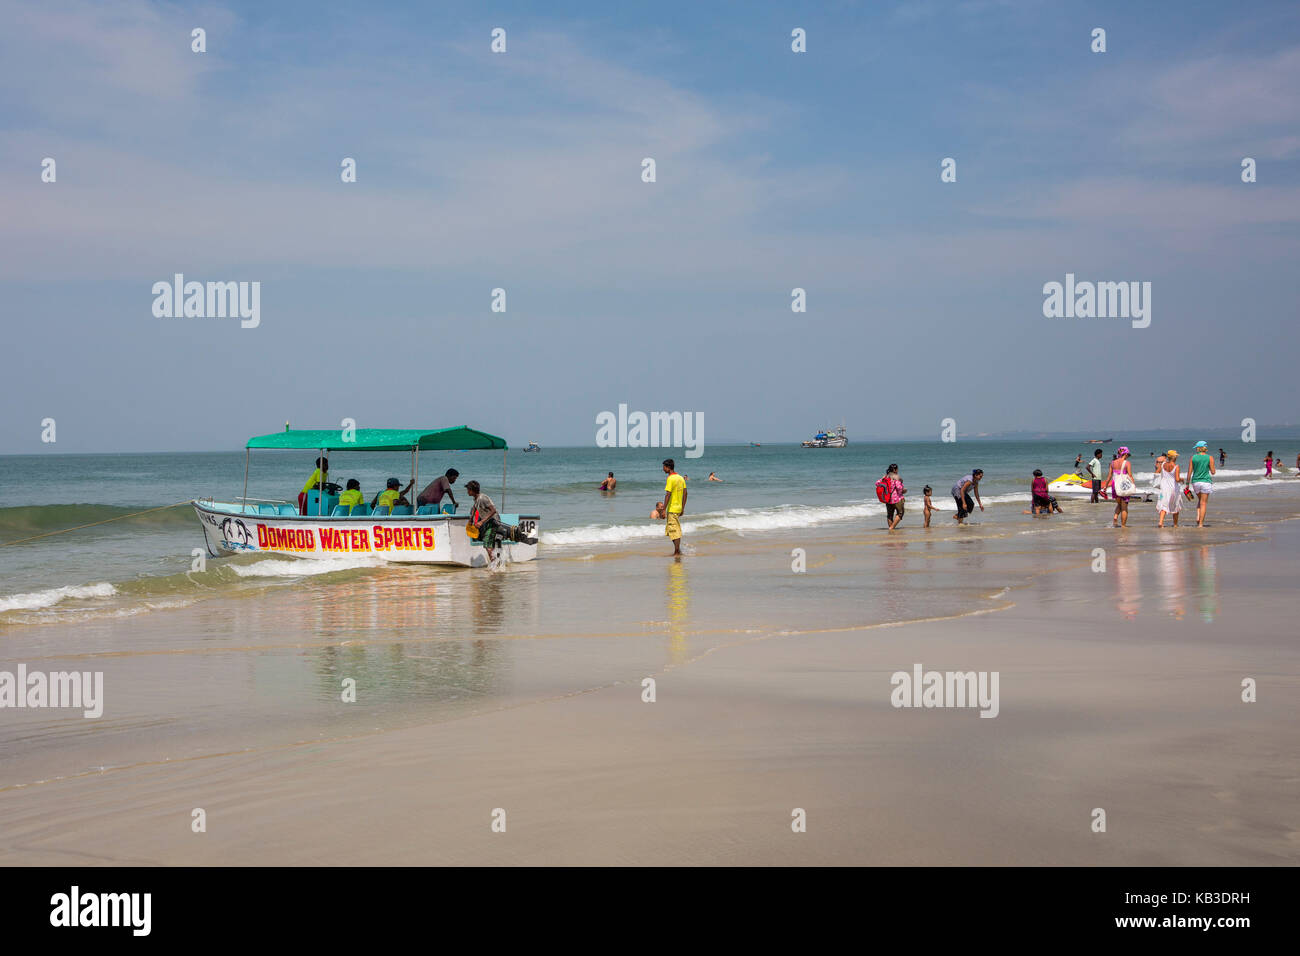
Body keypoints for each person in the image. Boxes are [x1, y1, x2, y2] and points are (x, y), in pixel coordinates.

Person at [661, 458, 687, 556]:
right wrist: (682, 508)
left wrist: (663, 509)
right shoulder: (680, 478)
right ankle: (678, 550)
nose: (663, 469)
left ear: (668, 467)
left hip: (672, 509)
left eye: (664, 467)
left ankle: (677, 552)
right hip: (678, 508)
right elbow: (685, 494)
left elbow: (668, 494)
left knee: (674, 530)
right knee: (671, 530)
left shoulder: (670, 478)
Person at [1187, 440, 1216, 527]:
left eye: (1196, 448)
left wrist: (1187, 483)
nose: (1196, 449)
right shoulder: (1210, 457)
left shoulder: (1193, 458)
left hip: (1195, 482)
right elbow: (1213, 472)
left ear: (1199, 448)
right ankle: (1200, 523)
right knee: (1203, 503)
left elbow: (1189, 472)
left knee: (1200, 500)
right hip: (1206, 482)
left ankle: (1198, 516)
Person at [1107, 446, 1134, 528]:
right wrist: (1133, 484)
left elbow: (1109, 476)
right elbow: (1130, 475)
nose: (1128, 456)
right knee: (1124, 507)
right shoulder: (1127, 463)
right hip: (1123, 486)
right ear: (1125, 454)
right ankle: (1123, 526)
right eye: (1127, 454)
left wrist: (1105, 487)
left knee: (1119, 504)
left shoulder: (1112, 463)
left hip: (1115, 485)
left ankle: (1115, 516)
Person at [1154, 449, 1182, 528]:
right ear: (1174, 457)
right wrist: (1182, 479)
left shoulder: (1163, 465)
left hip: (1164, 488)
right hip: (1173, 489)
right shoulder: (1176, 466)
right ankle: (1175, 524)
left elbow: (1157, 472)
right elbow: (1177, 479)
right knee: (1175, 505)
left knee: (1163, 505)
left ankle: (1160, 522)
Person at [882, 464, 906, 530]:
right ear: (895, 470)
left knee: (890, 515)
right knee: (900, 513)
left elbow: (877, 483)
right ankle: (892, 528)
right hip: (897, 499)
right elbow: (899, 488)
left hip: (888, 498)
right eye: (897, 469)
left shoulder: (885, 477)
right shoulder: (896, 476)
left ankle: (891, 528)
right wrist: (904, 490)